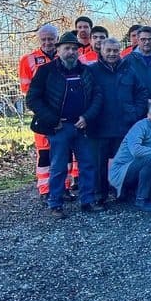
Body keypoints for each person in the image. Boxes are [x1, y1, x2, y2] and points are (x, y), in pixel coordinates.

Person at [26, 31, 103, 218]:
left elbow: (98, 96)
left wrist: (87, 117)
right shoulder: (46, 71)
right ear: (58, 50)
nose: (71, 52)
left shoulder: (86, 71)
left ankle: (87, 201)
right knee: (59, 166)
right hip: (59, 127)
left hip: (81, 125)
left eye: (74, 49)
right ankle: (56, 204)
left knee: (87, 164)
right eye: (67, 48)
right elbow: (33, 99)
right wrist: (51, 119)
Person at [87, 37, 148, 206]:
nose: (112, 54)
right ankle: (100, 194)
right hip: (99, 125)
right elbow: (85, 95)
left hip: (124, 125)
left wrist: (135, 112)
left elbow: (141, 92)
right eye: (109, 50)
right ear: (101, 51)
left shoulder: (129, 70)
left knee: (123, 161)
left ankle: (121, 190)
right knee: (98, 163)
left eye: (115, 50)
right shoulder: (92, 71)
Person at [19, 24, 59, 199]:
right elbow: (27, 90)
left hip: (62, 112)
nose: (47, 42)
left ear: (57, 39)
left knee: (62, 152)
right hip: (42, 112)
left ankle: (63, 187)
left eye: (51, 38)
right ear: (39, 40)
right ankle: (45, 189)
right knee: (44, 153)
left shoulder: (65, 55)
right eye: (44, 39)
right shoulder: (28, 60)